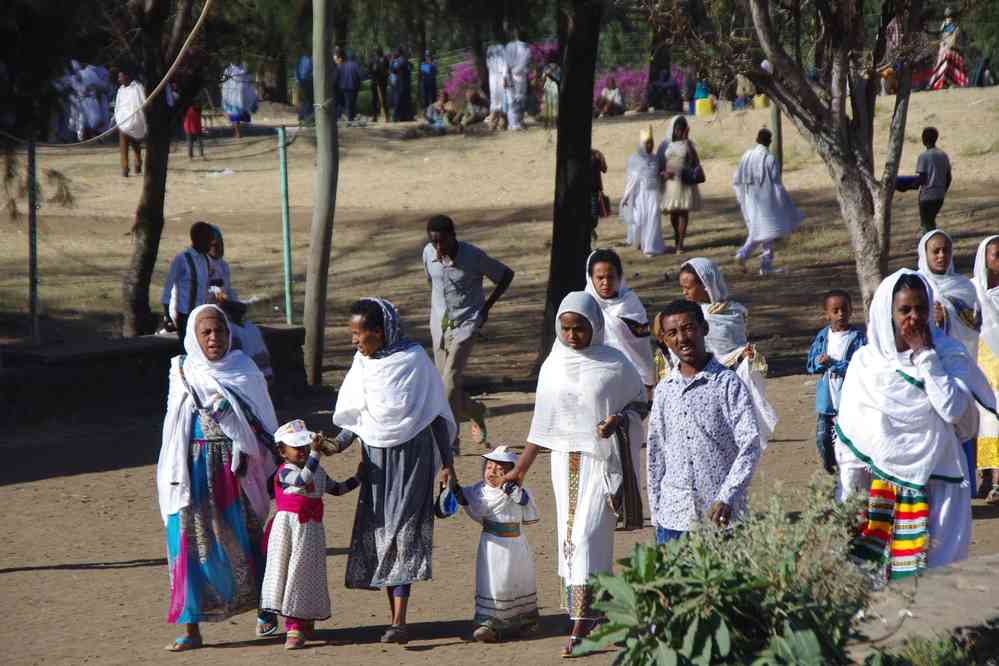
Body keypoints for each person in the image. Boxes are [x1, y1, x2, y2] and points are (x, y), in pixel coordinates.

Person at [501, 291, 647, 656]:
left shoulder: (615, 364)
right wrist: (520, 469)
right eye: (565, 329)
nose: (571, 336)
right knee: (569, 543)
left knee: (585, 538)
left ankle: (580, 626)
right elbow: (543, 424)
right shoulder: (553, 366)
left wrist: (619, 420)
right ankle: (597, 615)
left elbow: (640, 403)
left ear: (594, 325)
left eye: (579, 328)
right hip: (563, 464)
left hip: (603, 463)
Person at [838, 270, 994, 579]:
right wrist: (849, 500)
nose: (914, 317)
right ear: (887, 312)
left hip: (941, 484)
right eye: (904, 310)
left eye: (921, 308)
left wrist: (924, 356)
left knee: (939, 581)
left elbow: (953, 410)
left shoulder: (947, 354)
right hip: (880, 490)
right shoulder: (866, 365)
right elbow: (850, 444)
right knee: (877, 583)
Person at [329, 298, 457, 644]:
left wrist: (447, 464)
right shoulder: (362, 365)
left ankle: (400, 620)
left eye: (359, 334)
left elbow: (435, 416)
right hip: (375, 462)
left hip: (413, 459)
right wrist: (335, 444)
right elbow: (358, 415)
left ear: (379, 332)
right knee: (383, 532)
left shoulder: (414, 361)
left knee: (403, 532)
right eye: (353, 334)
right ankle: (393, 617)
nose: (354, 341)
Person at [157, 304, 280, 651]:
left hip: (236, 470)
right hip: (191, 468)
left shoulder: (245, 369)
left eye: (220, 331)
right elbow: (173, 423)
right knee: (187, 544)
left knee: (247, 537)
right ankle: (191, 628)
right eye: (206, 332)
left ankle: (266, 611)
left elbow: (265, 422)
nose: (215, 338)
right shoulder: (180, 370)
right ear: (193, 338)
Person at [647, 298, 762, 544]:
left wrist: (727, 496)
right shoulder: (665, 389)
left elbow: (750, 444)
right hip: (674, 519)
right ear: (665, 340)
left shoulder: (727, 384)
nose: (682, 338)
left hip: (721, 517)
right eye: (672, 333)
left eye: (689, 328)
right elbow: (656, 454)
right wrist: (657, 514)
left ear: (704, 329)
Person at [260, 420, 361, 650]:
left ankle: (303, 618)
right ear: (282, 450)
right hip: (289, 530)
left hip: (311, 530)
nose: (303, 450)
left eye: (305, 446)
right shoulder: (285, 471)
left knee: (307, 573)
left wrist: (358, 477)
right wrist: (316, 453)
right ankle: (292, 627)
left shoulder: (317, 470)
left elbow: (337, 489)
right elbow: (301, 480)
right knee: (291, 572)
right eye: (297, 447)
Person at [658, 258, 778, 447]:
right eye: (682, 287)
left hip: (727, 378)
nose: (684, 292)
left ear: (706, 285)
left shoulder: (733, 312)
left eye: (688, 287)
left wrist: (743, 355)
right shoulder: (687, 317)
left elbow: (734, 347)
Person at [423, 215, 514, 451]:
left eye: (443, 241)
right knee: (443, 387)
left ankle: (451, 443)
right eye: (434, 242)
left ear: (454, 235)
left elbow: (506, 276)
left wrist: (485, 309)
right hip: (439, 326)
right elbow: (432, 284)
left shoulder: (474, 256)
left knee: (450, 383)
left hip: (466, 324)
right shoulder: (427, 254)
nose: (439, 247)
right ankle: (475, 409)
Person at [451, 445, 540, 643]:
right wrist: (451, 484)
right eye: (489, 467)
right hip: (490, 545)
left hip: (515, 546)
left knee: (516, 581)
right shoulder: (479, 491)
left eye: (500, 470)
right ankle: (488, 623)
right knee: (492, 582)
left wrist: (514, 492)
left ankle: (524, 621)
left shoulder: (518, 492)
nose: (492, 473)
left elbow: (528, 506)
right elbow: (463, 497)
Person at [585, 249, 656, 489]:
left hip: (629, 386)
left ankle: (628, 503)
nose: (605, 283)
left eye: (611, 277)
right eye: (599, 278)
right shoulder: (582, 306)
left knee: (626, 444)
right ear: (590, 278)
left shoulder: (630, 305)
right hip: (593, 386)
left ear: (620, 277)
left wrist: (648, 384)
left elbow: (642, 350)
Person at [805, 290, 867, 478]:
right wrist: (818, 362)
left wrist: (834, 364)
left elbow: (860, 367)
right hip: (827, 400)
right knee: (823, 437)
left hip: (850, 400)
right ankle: (831, 471)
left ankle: (849, 472)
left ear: (851, 310)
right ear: (827, 314)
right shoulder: (823, 337)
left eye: (844, 309)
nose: (841, 314)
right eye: (835, 310)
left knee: (849, 439)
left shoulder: (858, 338)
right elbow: (810, 364)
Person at [733, 128, 805, 275]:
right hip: (767, 202)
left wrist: (742, 197)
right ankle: (745, 255)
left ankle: (764, 264)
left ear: (757, 139)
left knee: (763, 232)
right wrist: (783, 201)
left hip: (750, 201)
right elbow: (776, 182)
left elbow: (737, 179)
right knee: (764, 232)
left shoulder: (747, 156)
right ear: (769, 141)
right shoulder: (770, 158)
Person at [205, 226, 273, 379]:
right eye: (213, 245)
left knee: (251, 330)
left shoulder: (223, 266)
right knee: (234, 334)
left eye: (220, 244)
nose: (217, 248)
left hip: (225, 314)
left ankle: (261, 375)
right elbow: (208, 297)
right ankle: (240, 375)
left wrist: (237, 307)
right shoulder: (200, 266)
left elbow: (227, 294)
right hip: (208, 316)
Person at [917, 229, 979, 358]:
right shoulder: (916, 285)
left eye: (946, 250)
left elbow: (974, 327)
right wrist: (930, 318)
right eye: (936, 251)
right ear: (924, 254)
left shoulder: (964, 286)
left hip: (961, 356)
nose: (942, 255)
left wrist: (947, 317)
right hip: (926, 355)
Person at [973, 236, 999, 503]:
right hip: (982, 365)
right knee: (985, 424)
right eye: (997, 255)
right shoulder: (972, 292)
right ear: (985, 260)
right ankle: (986, 478)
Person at [161, 222, 214, 345]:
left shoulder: (206, 260)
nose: (211, 243)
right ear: (198, 239)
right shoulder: (182, 259)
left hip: (201, 313)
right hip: (185, 315)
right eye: (208, 239)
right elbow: (168, 286)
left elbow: (203, 284)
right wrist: (166, 315)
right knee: (187, 348)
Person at [657, 115, 702, 253]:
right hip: (670, 184)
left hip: (684, 182)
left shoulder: (688, 144)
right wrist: (663, 173)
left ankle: (680, 244)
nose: (679, 131)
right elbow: (658, 164)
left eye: (682, 128)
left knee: (683, 212)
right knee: (673, 213)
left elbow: (695, 162)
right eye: (677, 128)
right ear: (672, 129)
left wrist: (687, 141)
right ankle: (677, 236)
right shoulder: (665, 144)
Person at [620, 127, 665, 256]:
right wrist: (626, 196)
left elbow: (658, 174)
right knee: (639, 219)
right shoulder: (634, 159)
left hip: (653, 194)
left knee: (653, 218)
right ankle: (639, 241)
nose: (650, 146)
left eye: (652, 142)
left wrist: (663, 175)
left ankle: (650, 247)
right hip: (640, 195)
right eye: (647, 143)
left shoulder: (656, 158)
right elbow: (631, 180)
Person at [914, 127, 952, 233]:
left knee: (926, 224)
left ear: (923, 139)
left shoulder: (923, 156)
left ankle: (929, 244)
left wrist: (906, 185)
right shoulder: (943, 155)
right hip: (939, 195)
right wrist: (943, 191)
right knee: (931, 221)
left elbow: (922, 179)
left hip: (927, 196)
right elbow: (948, 177)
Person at [113, 70, 145, 177]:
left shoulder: (137, 88)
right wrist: (117, 117)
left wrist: (136, 118)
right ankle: (125, 169)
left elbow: (141, 103)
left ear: (126, 76)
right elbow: (118, 106)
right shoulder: (120, 90)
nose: (119, 79)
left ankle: (138, 164)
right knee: (123, 146)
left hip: (134, 121)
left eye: (120, 77)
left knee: (136, 145)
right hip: (123, 122)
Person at [929, 7, 968, 90]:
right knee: (947, 68)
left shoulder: (948, 24)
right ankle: (948, 84)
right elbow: (949, 38)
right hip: (950, 50)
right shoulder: (951, 25)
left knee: (946, 68)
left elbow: (948, 38)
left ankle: (944, 84)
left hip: (948, 50)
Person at [221, 63, 257, 138]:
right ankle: (237, 131)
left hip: (234, 96)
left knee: (235, 113)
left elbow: (223, 81)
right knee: (238, 113)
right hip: (241, 94)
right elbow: (250, 80)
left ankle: (237, 132)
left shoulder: (229, 70)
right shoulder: (242, 69)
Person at [505, 40, 531, 131]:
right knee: (515, 102)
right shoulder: (522, 49)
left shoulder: (514, 48)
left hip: (516, 78)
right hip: (515, 79)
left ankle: (516, 122)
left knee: (516, 101)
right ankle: (515, 124)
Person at [485, 43, 508, 129]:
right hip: (497, 77)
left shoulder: (491, 49)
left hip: (495, 77)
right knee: (498, 102)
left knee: (497, 101)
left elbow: (488, 65)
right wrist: (505, 77)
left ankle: (497, 123)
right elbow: (504, 64)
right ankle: (495, 123)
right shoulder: (495, 48)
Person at [337, 50, 362, 123]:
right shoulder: (356, 65)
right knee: (352, 103)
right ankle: (350, 118)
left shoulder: (342, 65)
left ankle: (349, 117)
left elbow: (339, 75)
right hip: (354, 87)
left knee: (347, 102)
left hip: (344, 87)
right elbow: (360, 75)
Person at [390, 49, 414, 122]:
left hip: (401, 84)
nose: (394, 53)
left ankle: (397, 117)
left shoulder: (401, 60)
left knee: (398, 100)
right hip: (404, 83)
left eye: (395, 52)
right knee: (404, 101)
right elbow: (411, 67)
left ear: (399, 53)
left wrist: (392, 60)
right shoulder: (403, 60)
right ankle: (404, 117)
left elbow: (393, 69)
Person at [590, 148, 608, 240]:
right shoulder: (576, 156)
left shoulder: (596, 154)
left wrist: (600, 158)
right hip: (580, 191)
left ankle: (591, 229)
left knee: (594, 215)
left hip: (594, 190)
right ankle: (590, 231)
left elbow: (604, 169)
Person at [368, 49, 390, 123]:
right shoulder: (384, 60)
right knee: (379, 99)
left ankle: (381, 116)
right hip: (379, 81)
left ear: (376, 53)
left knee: (378, 99)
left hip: (378, 81)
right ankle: (379, 117)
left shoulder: (374, 60)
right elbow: (371, 70)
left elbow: (370, 71)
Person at [541, 56, 560, 128]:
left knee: (552, 105)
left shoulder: (557, 68)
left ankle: (552, 123)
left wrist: (549, 74)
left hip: (553, 87)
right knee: (549, 105)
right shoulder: (548, 68)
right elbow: (543, 78)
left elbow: (557, 78)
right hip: (550, 87)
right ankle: (548, 123)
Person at [295, 52, 314, 123]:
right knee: (309, 100)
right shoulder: (310, 60)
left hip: (300, 81)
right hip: (308, 81)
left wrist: (297, 80)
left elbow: (296, 70)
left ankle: (301, 116)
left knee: (303, 100)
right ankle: (307, 118)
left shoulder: (300, 59)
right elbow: (312, 71)